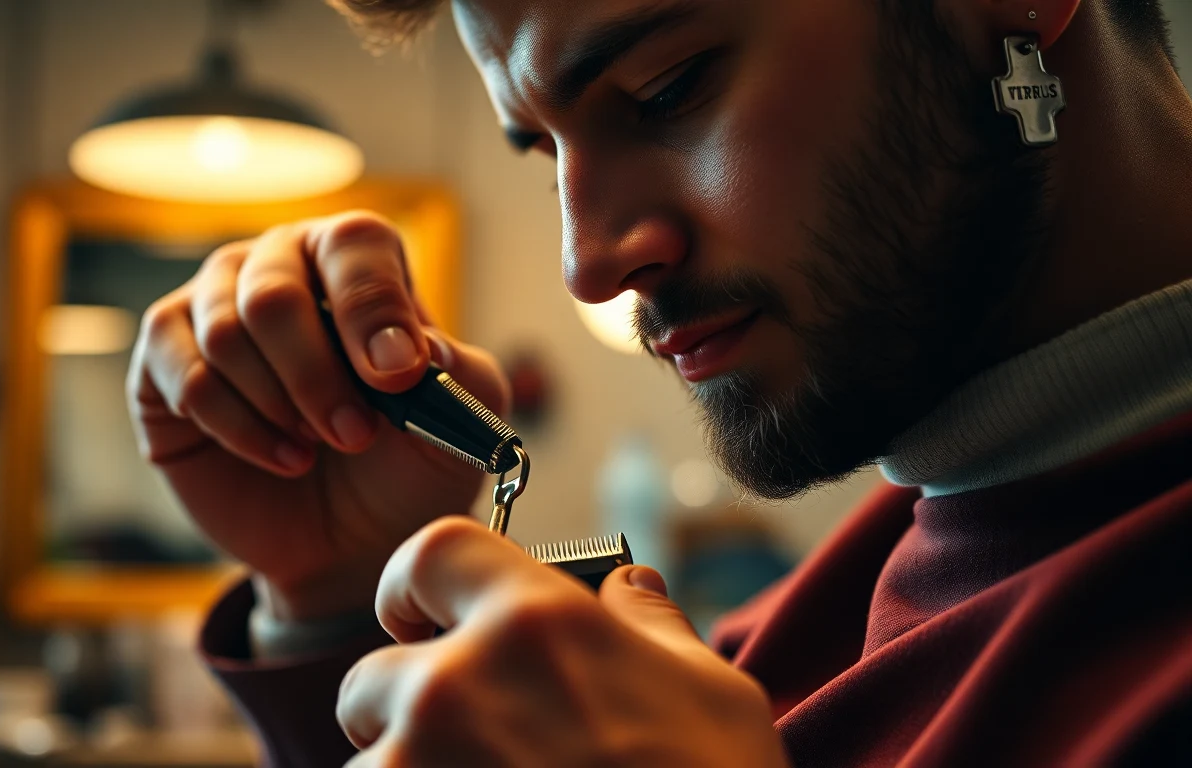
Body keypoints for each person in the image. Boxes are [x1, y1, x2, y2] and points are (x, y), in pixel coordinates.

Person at [127, 0, 1192, 764]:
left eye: (667, 88)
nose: (585, 262)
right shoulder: (763, 654)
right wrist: (334, 610)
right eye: (545, 151)